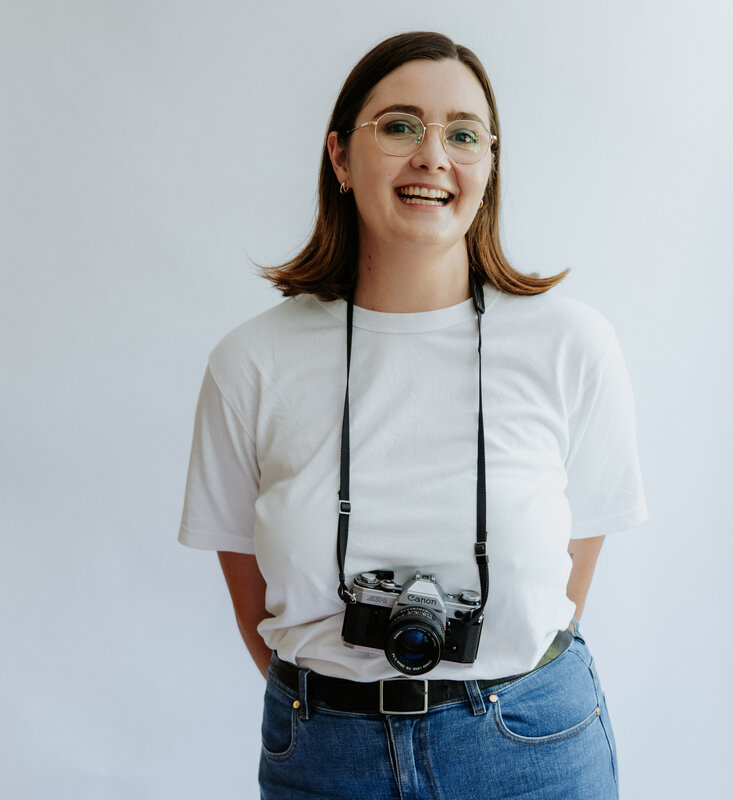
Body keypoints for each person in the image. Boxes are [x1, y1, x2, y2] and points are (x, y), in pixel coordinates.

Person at [179, 31, 647, 800]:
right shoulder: (251, 362)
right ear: (339, 157)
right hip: (324, 750)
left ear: (488, 168)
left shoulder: (571, 346)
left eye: (463, 134)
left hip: (528, 742)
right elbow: (261, 611)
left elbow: (556, 601)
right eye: (399, 126)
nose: (434, 155)